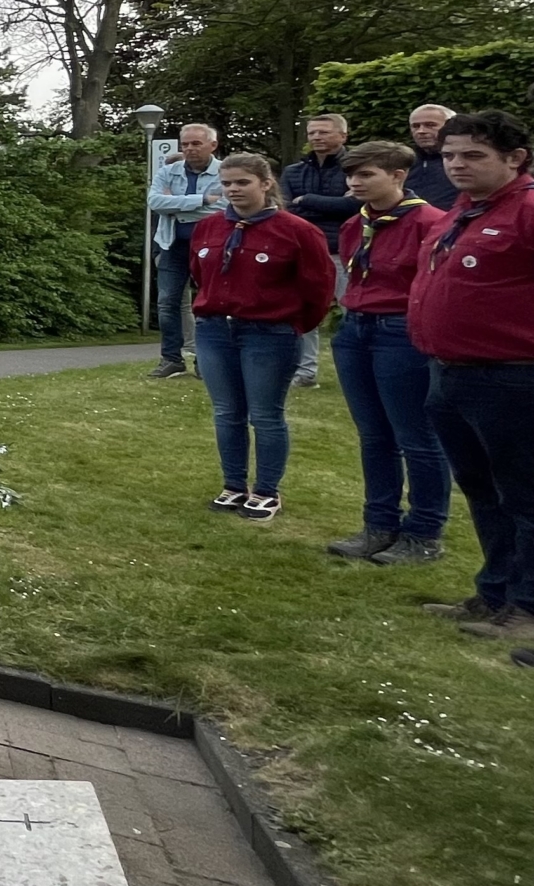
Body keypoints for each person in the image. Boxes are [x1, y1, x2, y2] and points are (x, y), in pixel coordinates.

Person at [407, 110, 534, 643]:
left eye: (474, 156)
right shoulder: (464, 211)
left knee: (525, 496)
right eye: (451, 154)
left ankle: (527, 609)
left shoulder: (526, 211)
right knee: (482, 490)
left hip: (510, 377)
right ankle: (496, 591)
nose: (457, 165)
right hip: (451, 373)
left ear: (515, 159)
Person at [189, 152, 335, 521]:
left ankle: (267, 491)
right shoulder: (209, 228)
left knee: (266, 415)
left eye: (242, 182)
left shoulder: (297, 231)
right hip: (214, 330)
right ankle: (233, 485)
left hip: (268, 333)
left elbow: (318, 288)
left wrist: (292, 325)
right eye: (226, 184)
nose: (233, 190)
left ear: (266, 184)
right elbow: (199, 273)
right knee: (227, 413)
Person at [325, 141, 447, 564]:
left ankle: (424, 532)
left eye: (366, 174)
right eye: (351, 175)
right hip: (356, 329)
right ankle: (379, 525)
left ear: (398, 175)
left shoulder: (430, 222)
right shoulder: (354, 223)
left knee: (416, 436)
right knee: (374, 435)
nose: (354, 182)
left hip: (400, 332)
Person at [284, 114, 360, 388]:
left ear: (342, 136)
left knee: (353, 310)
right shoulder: (294, 171)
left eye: (324, 132)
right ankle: (305, 373)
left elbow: (354, 207)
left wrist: (308, 200)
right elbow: (287, 208)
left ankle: (358, 370)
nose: (316, 137)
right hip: (305, 251)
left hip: (343, 250)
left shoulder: (356, 168)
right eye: (312, 132)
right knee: (304, 312)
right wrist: (332, 204)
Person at [146, 124, 225, 378]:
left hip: (212, 247)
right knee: (167, 304)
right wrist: (201, 199)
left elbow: (223, 208)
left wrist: (174, 204)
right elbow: (155, 202)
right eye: (185, 145)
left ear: (213, 145)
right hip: (172, 245)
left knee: (210, 304)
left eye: (196, 144)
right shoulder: (168, 171)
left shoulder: (226, 172)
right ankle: (171, 359)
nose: (189, 149)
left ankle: (207, 361)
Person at [406, 105, 459, 210]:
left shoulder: (465, 161)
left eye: (430, 125)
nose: (421, 131)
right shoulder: (404, 162)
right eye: (415, 126)